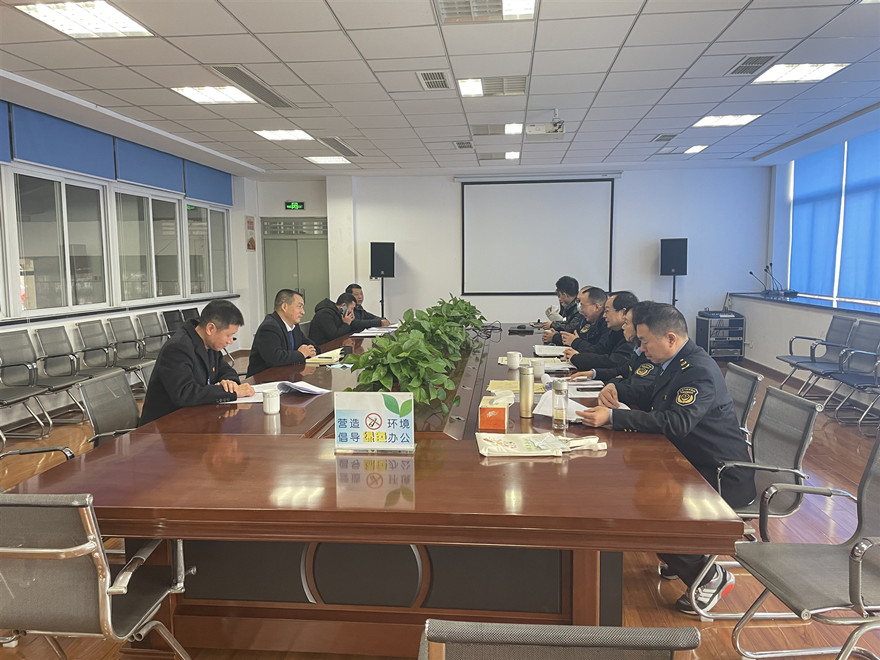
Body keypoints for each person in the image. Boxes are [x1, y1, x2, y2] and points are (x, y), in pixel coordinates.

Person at [576, 302, 755, 615]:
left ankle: (708, 577)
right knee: (639, 489)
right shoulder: (677, 363)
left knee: (650, 508)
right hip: (688, 461)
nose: (641, 348)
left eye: (645, 342)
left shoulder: (697, 371)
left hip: (720, 475)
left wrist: (614, 418)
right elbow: (653, 397)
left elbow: (677, 422)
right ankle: (683, 553)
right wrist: (616, 389)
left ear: (670, 338)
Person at [139, 299, 254, 426]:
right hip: (163, 427)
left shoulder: (209, 344)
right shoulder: (178, 347)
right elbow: (185, 393)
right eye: (228, 335)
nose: (231, 341)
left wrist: (229, 383)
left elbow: (226, 371)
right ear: (210, 328)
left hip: (193, 419)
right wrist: (230, 392)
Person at [574, 301, 657, 386]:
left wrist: (615, 382)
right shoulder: (636, 349)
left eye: (626, 323)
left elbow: (636, 387)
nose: (623, 327)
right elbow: (620, 371)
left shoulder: (650, 354)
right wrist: (593, 373)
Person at [246, 289, 317, 377]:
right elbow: (275, 358)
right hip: (265, 379)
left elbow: (309, 344)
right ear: (284, 307)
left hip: (287, 375)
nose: (303, 312)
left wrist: (312, 351)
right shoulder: (269, 327)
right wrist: (301, 354)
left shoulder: (294, 326)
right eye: (299, 306)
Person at [564, 291, 636, 372]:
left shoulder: (632, 336)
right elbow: (600, 350)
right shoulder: (615, 331)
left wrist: (578, 357)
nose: (604, 316)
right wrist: (578, 354)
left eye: (607, 311)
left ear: (623, 313)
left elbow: (612, 362)